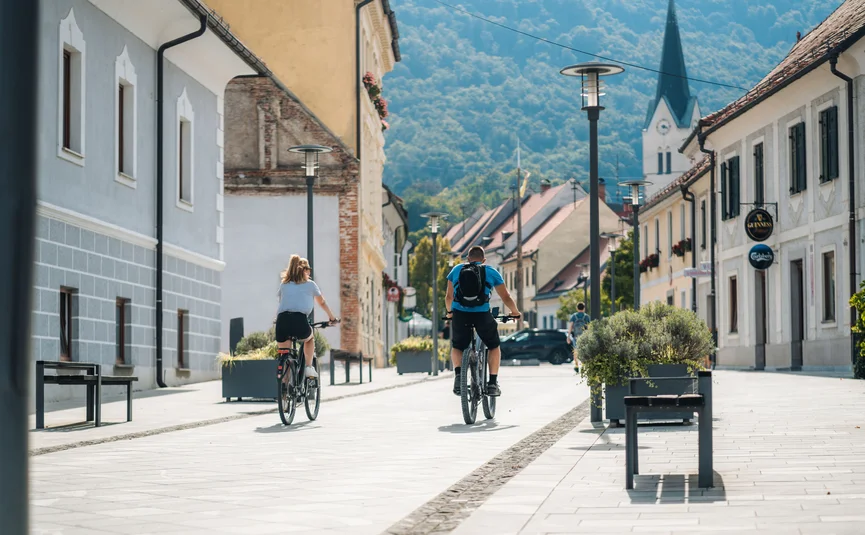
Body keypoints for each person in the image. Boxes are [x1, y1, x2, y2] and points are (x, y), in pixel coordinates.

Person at [445, 246, 520, 397]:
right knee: (493, 345)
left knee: (458, 346)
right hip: (481, 314)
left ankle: (459, 376)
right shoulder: (491, 271)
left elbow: (448, 297)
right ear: (483, 260)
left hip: (460, 314)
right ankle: (492, 383)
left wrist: (450, 313)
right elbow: (505, 296)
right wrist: (515, 312)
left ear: (468, 259)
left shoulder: (456, 270)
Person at [275, 255, 338, 378]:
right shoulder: (310, 284)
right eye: (308, 269)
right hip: (299, 320)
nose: (309, 271)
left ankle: (284, 389)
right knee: (309, 339)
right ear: (304, 270)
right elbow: (322, 302)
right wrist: (332, 317)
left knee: (284, 354)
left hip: (282, 321)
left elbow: (282, 303)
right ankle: (309, 367)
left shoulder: (284, 285)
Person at [568, 302, 590, 373]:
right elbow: (589, 327)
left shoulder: (574, 316)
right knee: (584, 350)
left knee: (575, 351)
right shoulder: (586, 316)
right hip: (584, 337)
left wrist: (568, 336)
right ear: (584, 308)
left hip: (576, 336)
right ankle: (583, 365)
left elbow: (571, 326)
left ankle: (576, 366)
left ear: (577, 308)